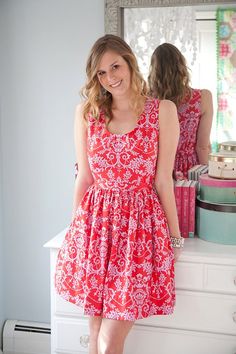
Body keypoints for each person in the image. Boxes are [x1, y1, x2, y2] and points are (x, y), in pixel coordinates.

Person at [55, 34, 184, 354]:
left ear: (130, 63)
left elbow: (163, 181)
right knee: (95, 328)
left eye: (115, 66)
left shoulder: (162, 111)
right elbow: (84, 177)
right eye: (101, 72)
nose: (111, 77)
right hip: (95, 229)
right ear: (95, 77)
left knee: (110, 337)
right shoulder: (87, 114)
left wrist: (174, 237)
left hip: (139, 230)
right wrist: (76, 232)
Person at [148, 42, 213, 179]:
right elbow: (202, 147)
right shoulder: (202, 98)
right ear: (181, 66)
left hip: (158, 170)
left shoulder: (145, 100)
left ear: (153, 70)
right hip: (191, 170)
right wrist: (209, 176)